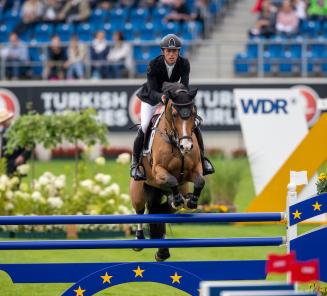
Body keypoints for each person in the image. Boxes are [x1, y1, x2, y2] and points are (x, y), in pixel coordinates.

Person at [130, 34, 214, 181]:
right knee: (144, 126)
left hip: (174, 98)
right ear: (163, 51)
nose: (171, 54)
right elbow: (152, 89)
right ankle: (136, 164)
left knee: (193, 124)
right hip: (152, 98)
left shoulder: (184, 63)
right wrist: (162, 98)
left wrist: (183, 99)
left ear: (178, 52)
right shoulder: (154, 64)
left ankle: (203, 159)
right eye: (168, 51)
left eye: (174, 51)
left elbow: (185, 87)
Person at [0, 109, 31, 177]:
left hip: (17, 164)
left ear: (9, 119)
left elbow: (30, 145)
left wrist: (22, 156)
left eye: (4, 121)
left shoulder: (20, 129)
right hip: (6, 165)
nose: (2, 124)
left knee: (15, 183)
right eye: (2, 122)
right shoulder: (3, 131)